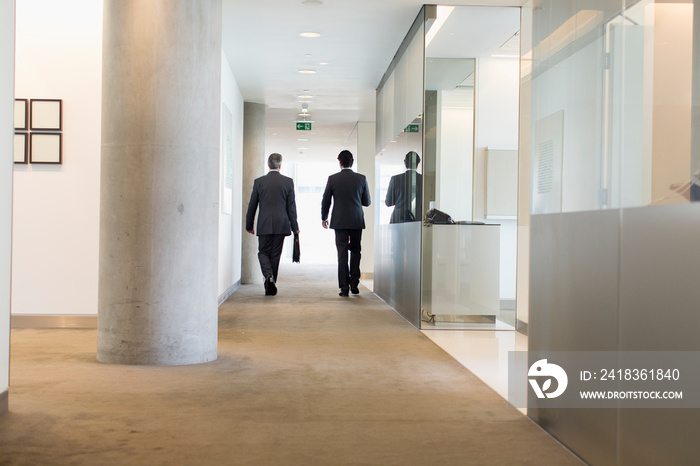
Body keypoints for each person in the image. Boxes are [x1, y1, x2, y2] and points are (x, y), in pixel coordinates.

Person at [246, 153, 299, 296]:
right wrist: (295, 227)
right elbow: (291, 207)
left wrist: (249, 224)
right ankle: (271, 281)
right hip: (281, 224)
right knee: (275, 255)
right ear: (280, 166)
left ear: (268, 165)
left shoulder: (259, 182)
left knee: (263, 252)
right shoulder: (288, 182)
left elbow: (252, 205)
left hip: (264, 223)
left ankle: (268, 277)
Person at [321, 150, 371, 296]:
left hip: (339, 221)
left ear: (340, 162)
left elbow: (326, 200)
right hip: (356, 220)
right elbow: (366, 202)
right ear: (352, 162)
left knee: (342, 253)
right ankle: (354, 284)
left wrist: (324, 217)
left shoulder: (333, 179)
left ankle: (344, 288)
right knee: (356, 251)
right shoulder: (361, 178)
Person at [385, 151, 423, 223]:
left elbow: (388, 202)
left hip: (398, 220)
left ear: (405, 162)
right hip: (417, 220)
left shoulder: (395, 179)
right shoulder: (423, 180)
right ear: (418, 163)